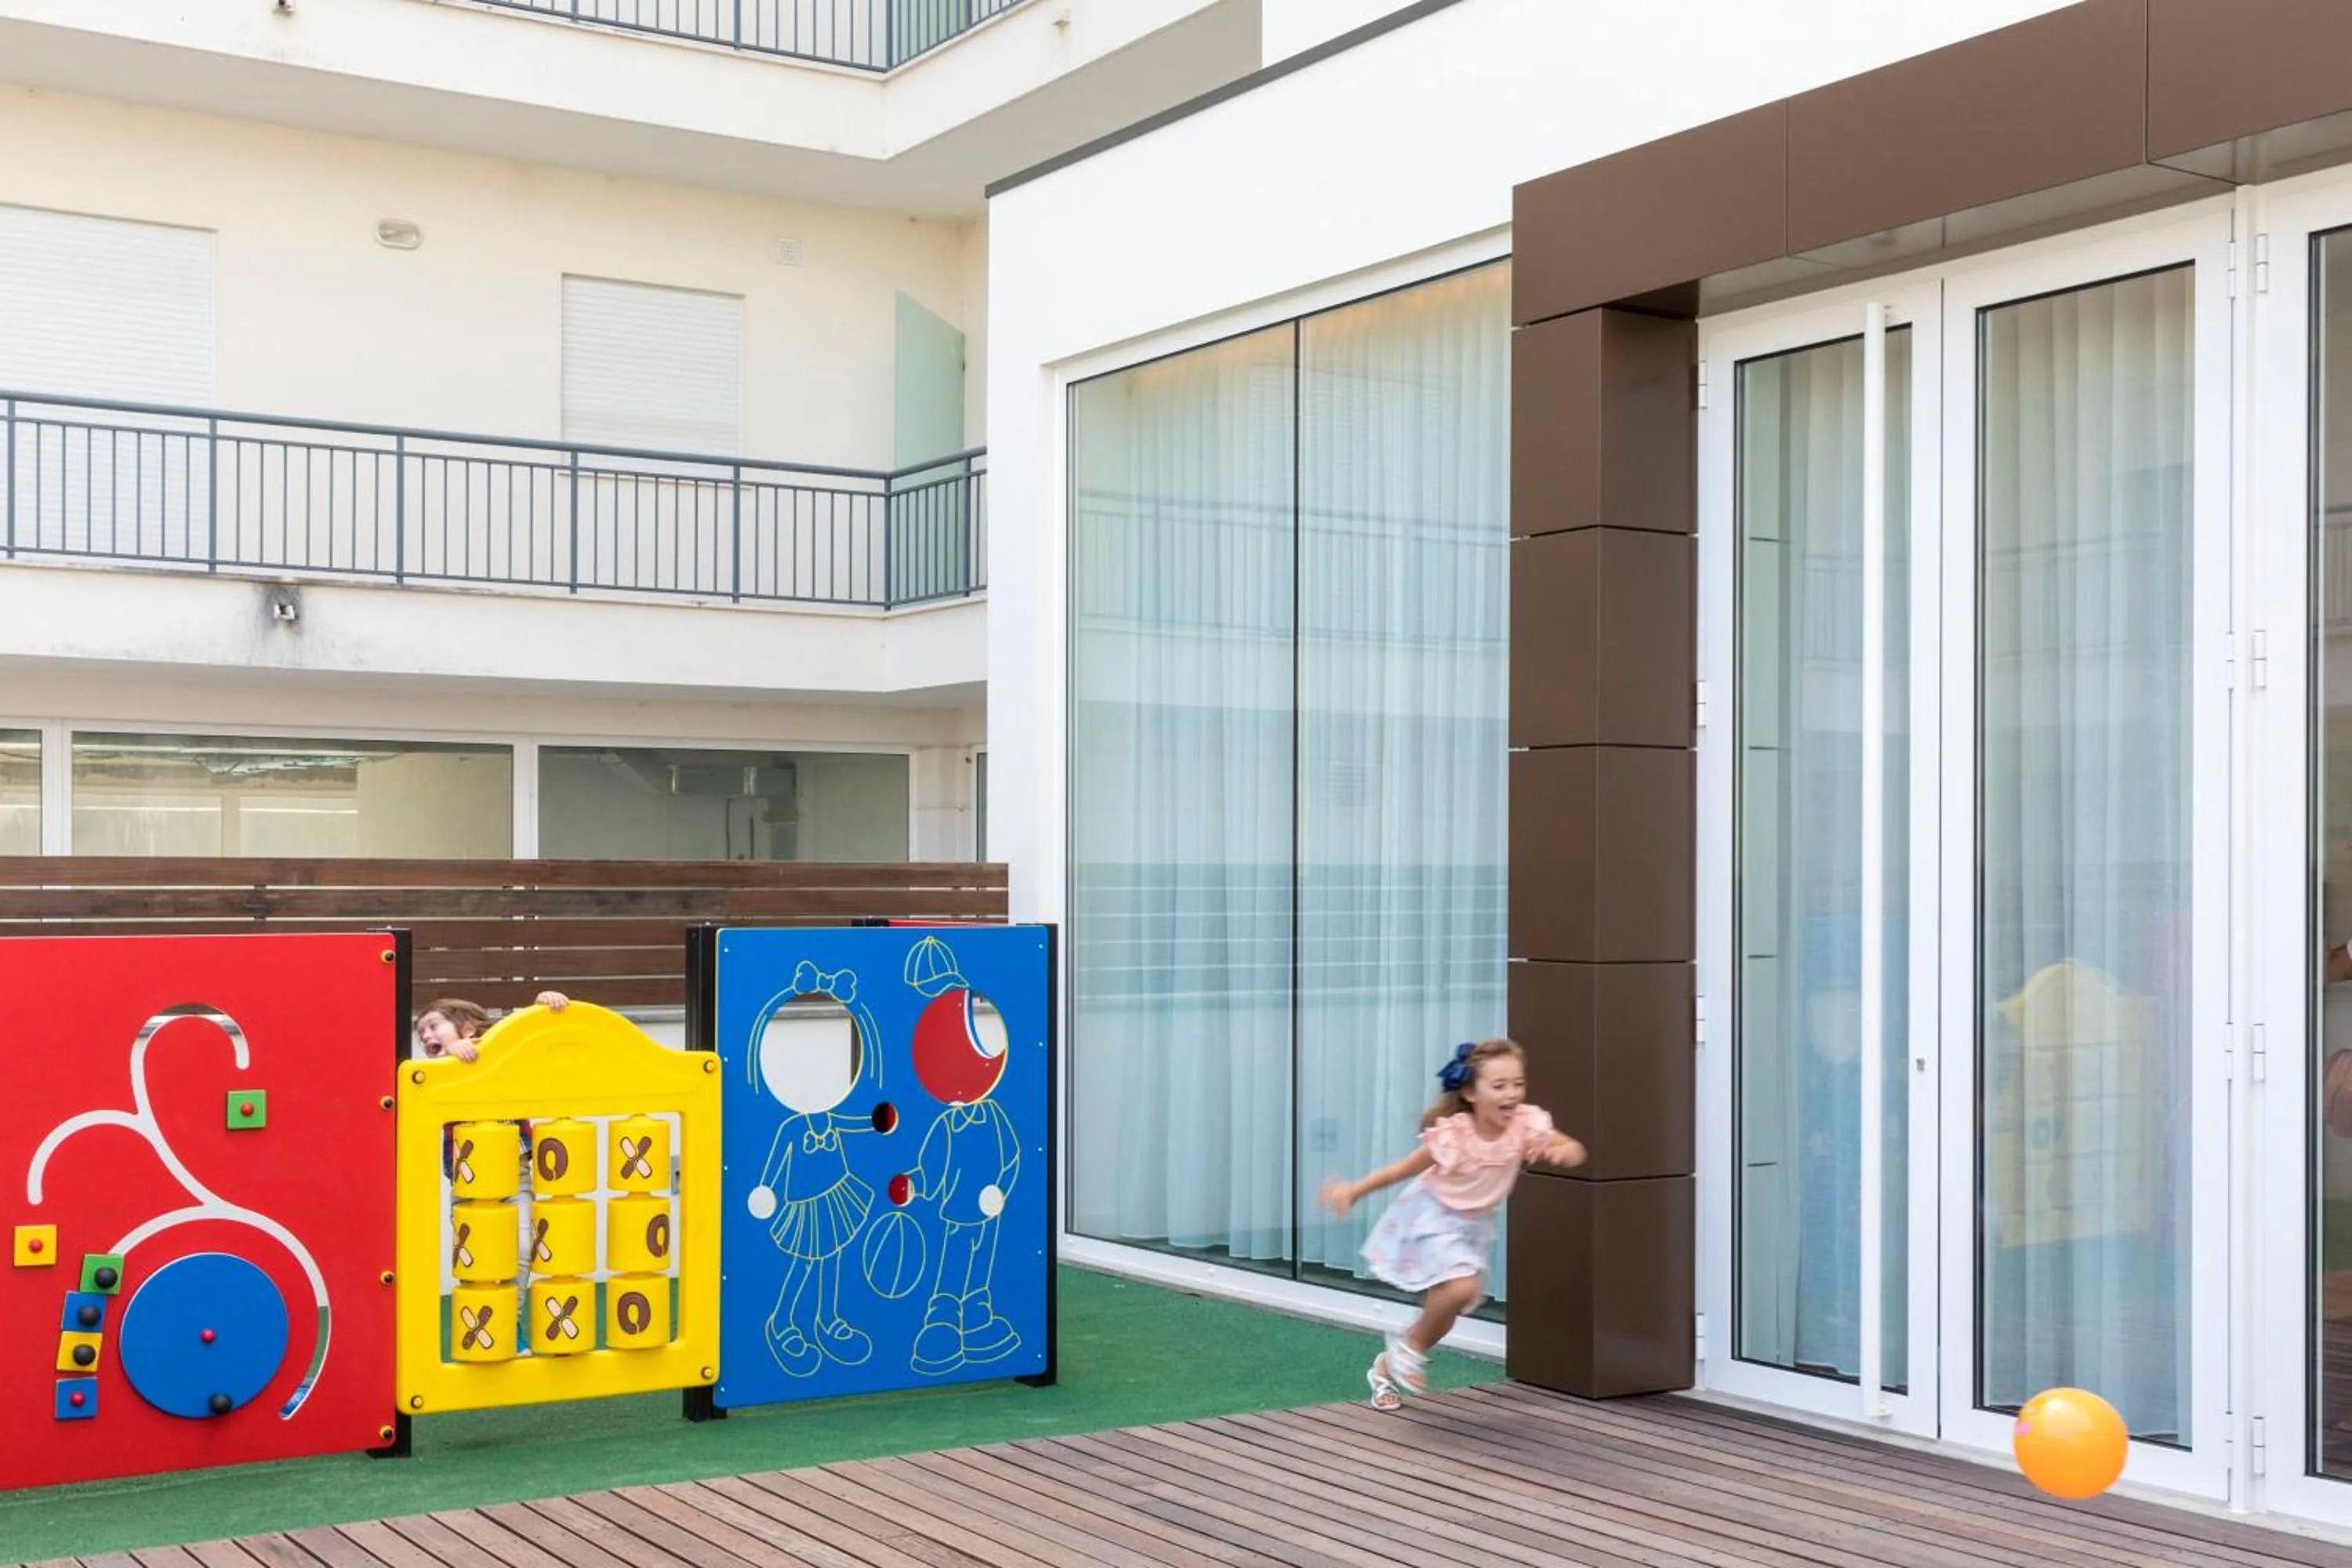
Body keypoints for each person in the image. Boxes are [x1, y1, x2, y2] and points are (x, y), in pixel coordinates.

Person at [1319, 1037, 1587, 1411]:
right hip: (1433, 1216)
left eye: (1518, 1083)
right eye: (1499, 1085)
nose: (1512, 1093)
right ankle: (1407, 1350)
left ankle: (1386, 1367)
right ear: (1470, 1092)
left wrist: (1558, 1152)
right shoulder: (1455, 1135)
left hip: (1473, 1226)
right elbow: (1400, 1170)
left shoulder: (1526, 1125)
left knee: (1448, 1313)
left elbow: (1576, 1150)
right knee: (1463, 1286)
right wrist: (1353, 1191)